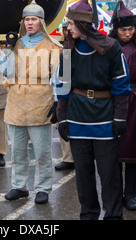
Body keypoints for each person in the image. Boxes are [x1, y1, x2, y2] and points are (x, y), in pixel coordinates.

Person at [55, 0, 130, 220]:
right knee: (83, 173)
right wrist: (62, 117)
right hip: (77, 117)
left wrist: (120, 117)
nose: (68, 28)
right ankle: (88, 213)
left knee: (109, 173)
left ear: (82, 24)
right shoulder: (68, 51)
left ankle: (114, 215)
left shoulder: (111, 48)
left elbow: (121, 84)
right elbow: (63, 86)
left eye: (70, 23)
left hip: (104, 117)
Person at [0, 0, 62, 205]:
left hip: (40, 100)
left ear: (41, 22)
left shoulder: (52, 46)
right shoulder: (15, 44)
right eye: (27, 19)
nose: (30, 23)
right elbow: (4, 70)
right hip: (16, 100)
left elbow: (61, 77)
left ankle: (43, 187)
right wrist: (8, 49)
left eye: (34, 19)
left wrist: (58, 101)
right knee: (17, 150)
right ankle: (19, 186)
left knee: (42, 151)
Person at [109, 1, 136, 211]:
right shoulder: (106, 46)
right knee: (112, 150)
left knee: (134, 147)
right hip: (112, 100)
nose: (127, 33)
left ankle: (131, 193)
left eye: (130, 29)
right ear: (116, 29)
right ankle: (114, 194)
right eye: (123, 29)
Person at [53, 20, 74, 171]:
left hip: (75, 94)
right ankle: (68, 158)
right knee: (63, 125)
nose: (67, 32)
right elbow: (57, 76)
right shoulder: (60, 49)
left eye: (69, 29)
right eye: (65, 29)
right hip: (61, 93)